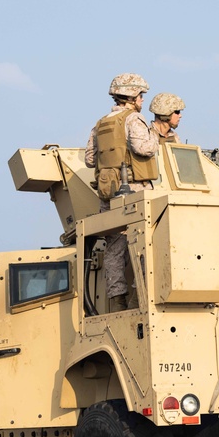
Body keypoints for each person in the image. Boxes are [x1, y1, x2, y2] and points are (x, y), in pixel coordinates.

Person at [85, 73, 158, 312]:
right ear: (132, 96)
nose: (143, 100)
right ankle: (139, 297)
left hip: (108, 192)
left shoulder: (100, 123)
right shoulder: (133, 119)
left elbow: (89, 160)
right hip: (134, 189)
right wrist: (155, 134)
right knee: (145, 243)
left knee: (114, 249)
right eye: (141, 95)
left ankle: (117, 303)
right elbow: (143, 148)